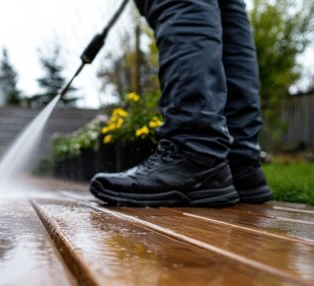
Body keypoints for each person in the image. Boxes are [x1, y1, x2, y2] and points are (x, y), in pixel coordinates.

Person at [90, 0, 273, 207]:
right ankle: (240, 163)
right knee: (227, 8)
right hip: (235, 160)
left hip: (198, 159)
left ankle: (194, 152)